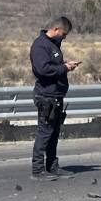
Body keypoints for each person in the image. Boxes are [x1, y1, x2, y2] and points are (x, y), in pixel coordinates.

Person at [29, 16, 80, 180]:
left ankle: (52, 166)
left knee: (54, 133)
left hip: (56, 96)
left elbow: (53, 65)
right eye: (64, 34)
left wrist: (65, 64)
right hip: (46, 96)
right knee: (45, 133)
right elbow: (43, 69)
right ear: (56, 29)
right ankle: (37, 170)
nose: (64, 37)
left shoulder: (53, 46)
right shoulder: (40, 46)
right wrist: (63, 68)